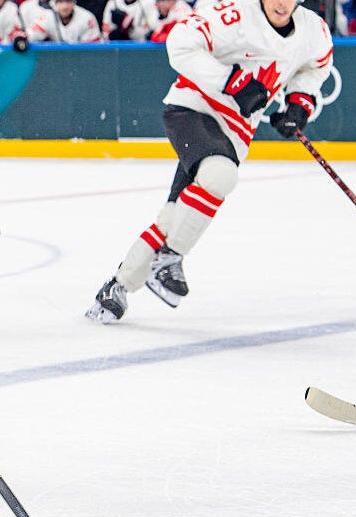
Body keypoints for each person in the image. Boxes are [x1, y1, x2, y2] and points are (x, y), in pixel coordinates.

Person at [86, 0, 334, 323]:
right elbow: (180, 43)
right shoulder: (236, 15)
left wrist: (299, 104)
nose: (281, 2)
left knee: (174, 216)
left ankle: (116, 288)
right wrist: (232, 81)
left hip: (235, 132)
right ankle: (169, 259)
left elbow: (315, 68)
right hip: (193, 108)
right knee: (220, 176)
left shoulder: (314, 32)